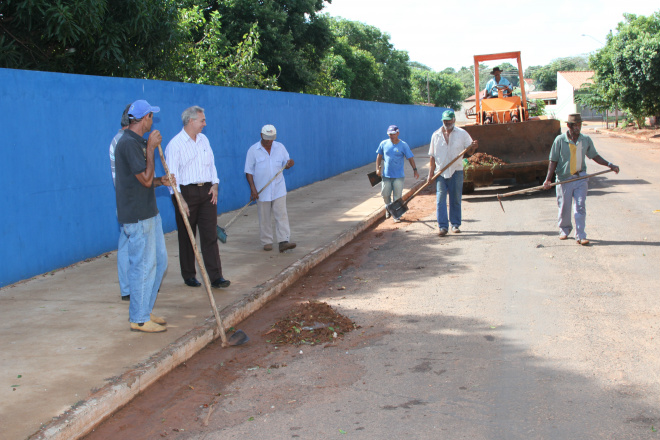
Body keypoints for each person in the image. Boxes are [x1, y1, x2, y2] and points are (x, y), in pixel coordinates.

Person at [115, 99, 174, 333]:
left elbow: (147, 181)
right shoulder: (129, 144)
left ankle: (145, 310)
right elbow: (145, 179)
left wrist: (162, 181)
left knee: (159, 262)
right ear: (145, 118)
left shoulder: (137, 142)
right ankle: (139, 319)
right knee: (143, 266)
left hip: (150, 213)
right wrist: (150, 148)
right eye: (151, 116)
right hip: (138, 218)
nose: (153, 121)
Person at [165, 106, 230, 289]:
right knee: (187, 236)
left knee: (209, 234)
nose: (205, 124)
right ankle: (189, 275)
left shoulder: (204, 140)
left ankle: (216, 277)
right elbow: (172, 177)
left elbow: (212, 165)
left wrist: (215, 184)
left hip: (207, 192)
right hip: (186, 193)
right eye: (202, 120)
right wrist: (180, 200)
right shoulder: (175, 145)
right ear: (191, 121)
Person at [543, 113, 620, 245]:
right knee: (564, 207)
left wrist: (609, 165)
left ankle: (581, 235)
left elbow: (594, 156)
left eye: (579, 125)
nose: (578, 128)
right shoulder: (560, 140)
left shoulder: (585, 140)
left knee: (580, 206)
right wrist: (548, 179)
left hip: (580, 178)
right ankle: (564, 230)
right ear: (569, 126)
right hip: (564, 179)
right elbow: (553, 160)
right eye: (575, 125)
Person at [244, 125, 296, 252]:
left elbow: (287, 163)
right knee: (264, 216)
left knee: (281, 215)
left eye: (271, 138)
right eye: (267, 138)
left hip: (278, 188)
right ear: (261, 135)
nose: (269, 141)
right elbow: (248, 171)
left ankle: (284, 241)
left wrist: (289, 164)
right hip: (262, 190)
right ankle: (267, 241)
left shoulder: (280, 147)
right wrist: (253, 189)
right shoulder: (253, 150)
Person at [427, 110, 478, 236]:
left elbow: (470, 152)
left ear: (454, 120)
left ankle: (455, 225)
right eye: (445, 120)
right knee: (440, 200)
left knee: (455, 199)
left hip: (456, 171)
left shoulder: (462, 134)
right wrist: (430, 174)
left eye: (449, 120)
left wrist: (473, 147)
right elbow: (432, 157)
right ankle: (443, 227)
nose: (447, 123)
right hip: (440, 172)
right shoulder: (436, 135)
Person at [109, 104, 131, 301]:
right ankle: (128, 289)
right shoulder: (122, 141)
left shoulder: (120, 140)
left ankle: (128, 288)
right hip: (129, 201)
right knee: (129, 243)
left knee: (127, 243)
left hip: (127, 200)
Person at [376, 125, 419, 222]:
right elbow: (379, 156)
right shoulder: (384, 143)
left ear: (398, 133)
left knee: (397, 196)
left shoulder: (403, 145)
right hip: (386, 175)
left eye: (393, 134)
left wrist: (415, 170)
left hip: (398, 176)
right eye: (389, 134)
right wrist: (378, 169)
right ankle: (388, 208)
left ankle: (396, 215)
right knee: (385, 194)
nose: (391, 136)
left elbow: (410, 158)